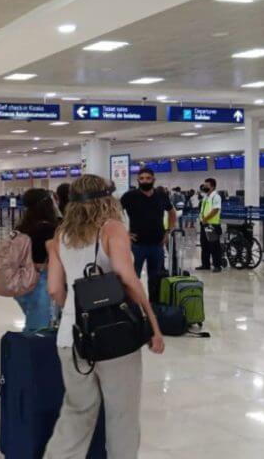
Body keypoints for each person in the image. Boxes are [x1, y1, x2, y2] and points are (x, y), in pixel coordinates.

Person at [43, 175, 164, 459]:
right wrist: (153, 326)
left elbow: (53, 289)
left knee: (76, 413)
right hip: (115, 337)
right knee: (122, 416)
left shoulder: (61, 234)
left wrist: (77, 311)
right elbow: (128, 279)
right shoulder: (112, 229)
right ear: (107, 199)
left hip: (71, 339)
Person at [120, 168, 176, 296]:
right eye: (142, 178)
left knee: (156, 280)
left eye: (148, 178)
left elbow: (171, 212)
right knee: (132, 280)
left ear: (153, 180)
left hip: (157, 245)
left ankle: (154, 308)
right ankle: (133, 310)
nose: (145, 181)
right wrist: (124, 233)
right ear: (138, 180)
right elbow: (113, 214)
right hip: (136, 246)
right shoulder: (130, 196)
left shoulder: (161, 195)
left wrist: (168, 231)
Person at [13, 188, 58, 331]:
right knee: (38, 329)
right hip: (40, 281)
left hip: (21, 281)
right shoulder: (50, 229)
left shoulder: (21, 228)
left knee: (33, 319)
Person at [197, 178, 223, 272]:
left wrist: (205, 218)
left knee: (214, 246)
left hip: (212, 224)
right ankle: (205, 264)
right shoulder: (206, 196)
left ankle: (217, 265)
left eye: (206, 185)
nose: (204, 187)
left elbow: (215, 210)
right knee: (204, 245)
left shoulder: (216, 196)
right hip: (204, 224)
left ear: (212, 186)